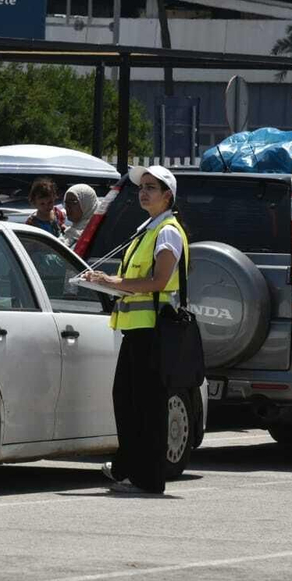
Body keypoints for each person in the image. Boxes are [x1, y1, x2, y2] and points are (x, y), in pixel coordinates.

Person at [81, 164, 187, 495]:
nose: (143, 192)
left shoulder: (166, 231)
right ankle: (129, 469)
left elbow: (158, 281)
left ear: (167, 195)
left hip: (153, 330)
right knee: (128, 402)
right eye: (141, 187)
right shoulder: (147, 227)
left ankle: (148, 478)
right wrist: (104, 282)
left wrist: (113, 282)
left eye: (152, 187)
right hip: (137, 330)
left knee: (147, 406)